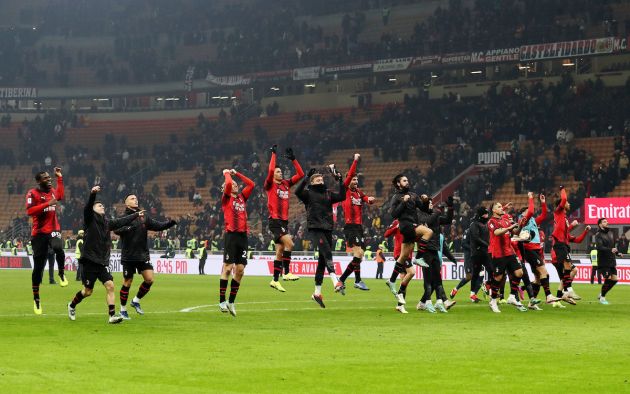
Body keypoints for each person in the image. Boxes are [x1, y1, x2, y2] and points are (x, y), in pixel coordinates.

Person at [67, 186, 143, 324]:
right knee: (87, 292)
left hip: (102, 262)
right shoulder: (89, 219)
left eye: (103, 205)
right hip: (89, 261)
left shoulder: (107, 223)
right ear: (93, 209)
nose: (102, 207)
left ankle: (112, 316)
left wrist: (136, 215)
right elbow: (88, 206)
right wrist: (92, 195)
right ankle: (71, 305)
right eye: (99, 205)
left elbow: (120, 221)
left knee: (110, 286)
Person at [113, 194, 177, 320]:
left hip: (142, 254)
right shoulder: (124, 217)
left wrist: (171, 223)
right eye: (132, 198)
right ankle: (123, 310)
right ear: (126, 203)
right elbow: (116, 229)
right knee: (127, 282)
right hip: (129, 255)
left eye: (136, 198)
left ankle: (136, 301)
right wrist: (128, 228)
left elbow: (158, 225)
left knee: (149, 279)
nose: (135, 199)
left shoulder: (143, 216)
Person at [295, 166, 346, 308]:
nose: (320, 180)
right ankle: (336, 281)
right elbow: (297, 191)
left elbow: (342, 196)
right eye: (317, 179)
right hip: (315, 227)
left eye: (321, 178)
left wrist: (341, 181)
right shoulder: (308, 193)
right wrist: (305, 178)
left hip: (328, 227)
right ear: (312, 183)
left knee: (322, 261)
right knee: (328, 253)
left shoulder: (328, 194)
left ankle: (317, 293)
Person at [389, 174, 433, 314]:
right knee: (428, 232)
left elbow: (426, 210)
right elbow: (393, 214)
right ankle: (419, 257)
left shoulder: (414, 195)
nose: (407, 182)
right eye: (404, 180)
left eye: (408, 180)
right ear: (398, 183)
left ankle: (392, 283)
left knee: (403, 259)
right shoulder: (396, 197)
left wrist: (426, 201)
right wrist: (403, 202)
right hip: (407, 225)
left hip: (412, 225)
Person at [26, 167, 67, 315]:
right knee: (38, 268)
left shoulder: (52, 191)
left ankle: (61, 274)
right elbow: (30, 211)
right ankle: (36, 300)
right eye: (46, 178)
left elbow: (60, 195)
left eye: (50, 178)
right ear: (38, 181)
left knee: (58, 248)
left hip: (53, 229)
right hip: (39, 233)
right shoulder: (32, 193)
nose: (49, 180)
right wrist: (48, 204)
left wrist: (59, 178)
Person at [265, 145, 304, 292]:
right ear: (273, 174)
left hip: (284, 221)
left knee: (280, 251)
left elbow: (300, 174)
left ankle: (275, 280)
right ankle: (286, 272)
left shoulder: (286, 184)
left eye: (281, 171)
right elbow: (269, 170)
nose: (280, 173)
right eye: (278, 171)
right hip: (275, 221)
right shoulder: (269, 185)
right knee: (291, 244)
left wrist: (293, 159)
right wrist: (274, 154)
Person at [337, 153, 376, 292]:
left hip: (359, 227)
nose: (355, 181)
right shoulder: (345, 190)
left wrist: (370, 200)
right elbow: (350, 175)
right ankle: (348, 280)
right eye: (353, 179)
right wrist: (355, 160)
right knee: (358, 254)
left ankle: (347, 280)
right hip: (350, 226)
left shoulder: (358, 192)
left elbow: (365, 198)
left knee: (359, 255)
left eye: (356, 180)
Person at [219, 169, 255, 317]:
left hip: (243, 237)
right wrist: (227, 173)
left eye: (236, 184)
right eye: (232, 184)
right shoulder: (226, 198)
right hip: (231, 236)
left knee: (240, 270)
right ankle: (221, 300)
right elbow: (227, 182)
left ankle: (231, 301)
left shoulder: (241, 198)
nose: (235, 185)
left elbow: (251, 184)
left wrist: (237, 174)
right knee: (227, 269)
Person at [416, 196, 455, 313]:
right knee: (428, 280)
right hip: (425, 250)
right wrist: (437, 212)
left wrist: (451, 207)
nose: (432, 205)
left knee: (437, 279)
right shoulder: (420, 216)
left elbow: (448, 220)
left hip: (435, 250)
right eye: (429, 203)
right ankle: (428, 302)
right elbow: (427, 222)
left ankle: (431, 302)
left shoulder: (435, 216)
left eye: (432, 203)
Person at [487, 202, 527, 313]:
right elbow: (497, 232)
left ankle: (512, 296)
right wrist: (510, 226)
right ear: (494, 210)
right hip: (498, 254)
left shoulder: (505, 220)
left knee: (519, 272)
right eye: (499, 207)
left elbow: (515, 232)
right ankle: (493, 301)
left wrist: (521, 225)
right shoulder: (491, 221)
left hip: (510, 252)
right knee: (498, 278)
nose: (501, 208)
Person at [450, 207, 490, 303]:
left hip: (477, 256)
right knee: (469, 277)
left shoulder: (479, 230)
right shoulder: (468, 231)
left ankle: (473, 295)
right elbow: (464, 244)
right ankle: (455, 289)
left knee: (480, 274)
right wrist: (474, 248)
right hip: (469, 257)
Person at [551, 186, 581, 302]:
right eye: (567, 203)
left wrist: (571, 226)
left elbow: (567, 233)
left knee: (567, 268)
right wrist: (562, 188)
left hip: (563, 244)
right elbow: (563, 199)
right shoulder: (558, 212)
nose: (569, 204)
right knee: (568, 268)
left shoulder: (563, 217)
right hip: (559, 244)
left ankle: (566, 291)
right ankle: (567, 290)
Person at [595, 218, 621, 304]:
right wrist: (611, 249)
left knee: (615, 279)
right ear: (600, 224)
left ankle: (601, 293)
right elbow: (599, 247)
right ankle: (602, 297)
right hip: (603, 261)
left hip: (611, 260)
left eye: (607, 221)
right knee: (608, 279)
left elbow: (612, 247)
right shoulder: (598, 234)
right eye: (604, 222)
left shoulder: (610, 233)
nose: (607, 223)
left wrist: (617, 253)